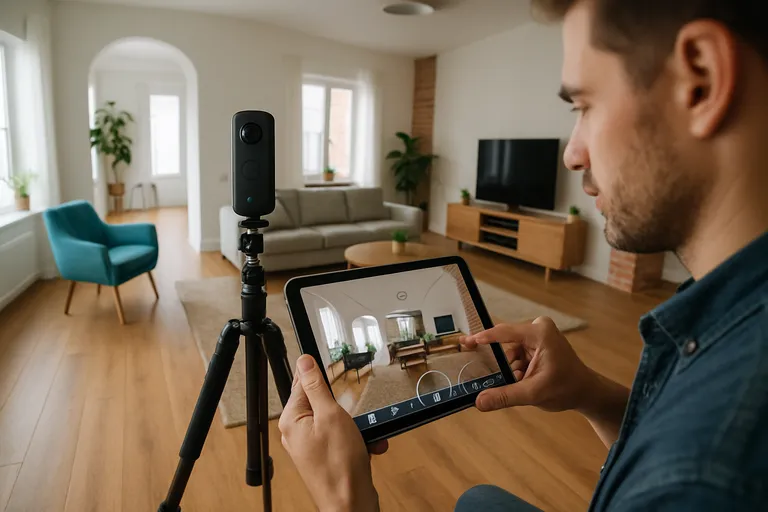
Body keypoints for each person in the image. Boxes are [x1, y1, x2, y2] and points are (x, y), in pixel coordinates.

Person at [278, 0, 768, 509]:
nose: (572, 153)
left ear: (702, 80)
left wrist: (345, 501)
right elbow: (660, 443)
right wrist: (591, 394)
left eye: (584, 105)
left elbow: (677, 467)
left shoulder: (704, 477)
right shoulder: (720, 317)